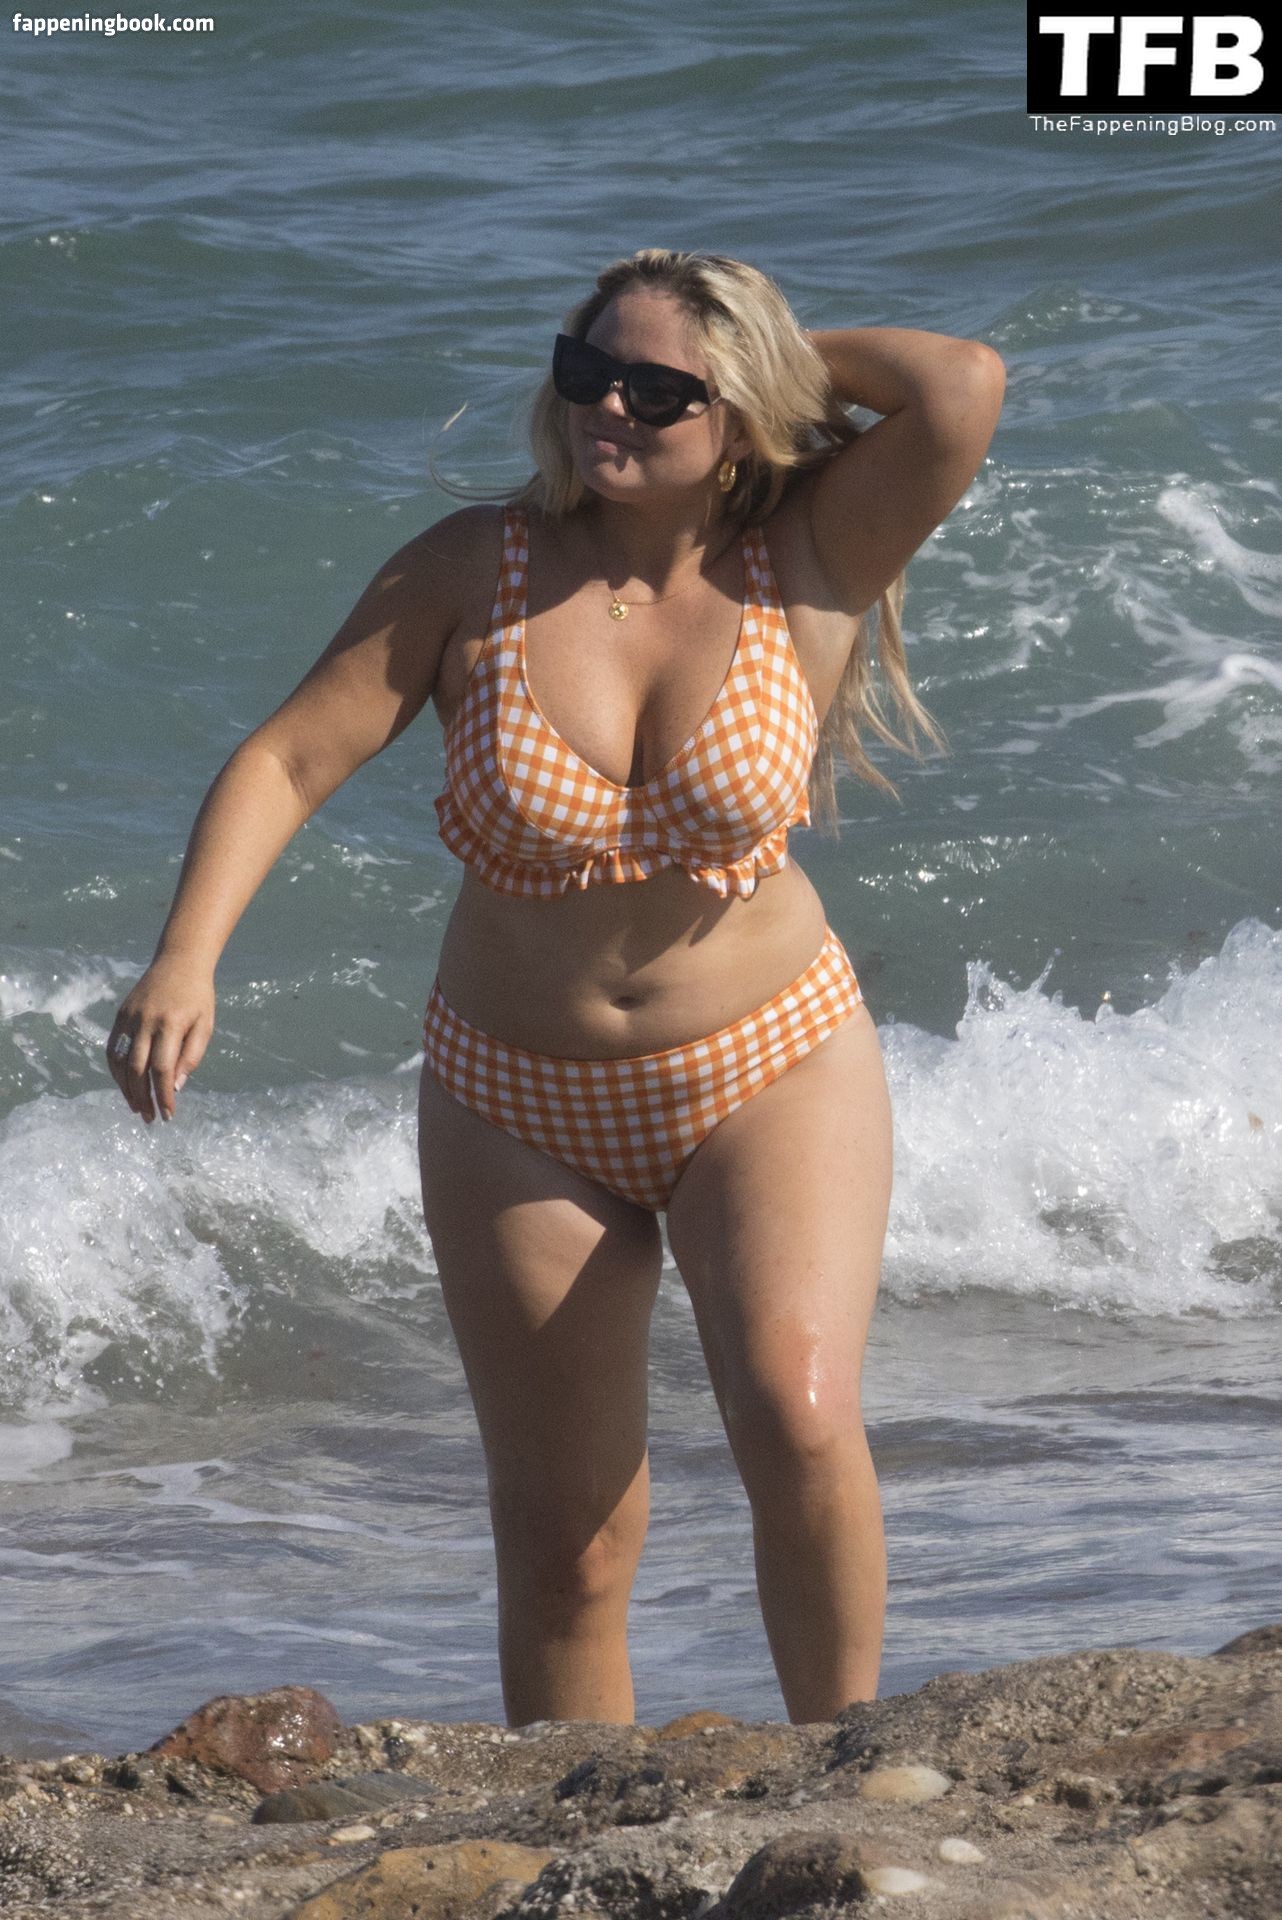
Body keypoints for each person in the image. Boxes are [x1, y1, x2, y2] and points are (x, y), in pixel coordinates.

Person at [106, 248, 1005, 1727]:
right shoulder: (476, 569)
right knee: (567, 1537)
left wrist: (768, 354)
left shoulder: (812, 550)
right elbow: (288, 758)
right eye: (586, 371)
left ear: (739, 410)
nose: (609, 408)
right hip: (515, 1100)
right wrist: (187, 955)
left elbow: (959, 385)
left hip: (767, 1063)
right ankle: (574, 1821)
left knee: (796, 1416)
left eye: (658, 391)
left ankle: (850, 1763)